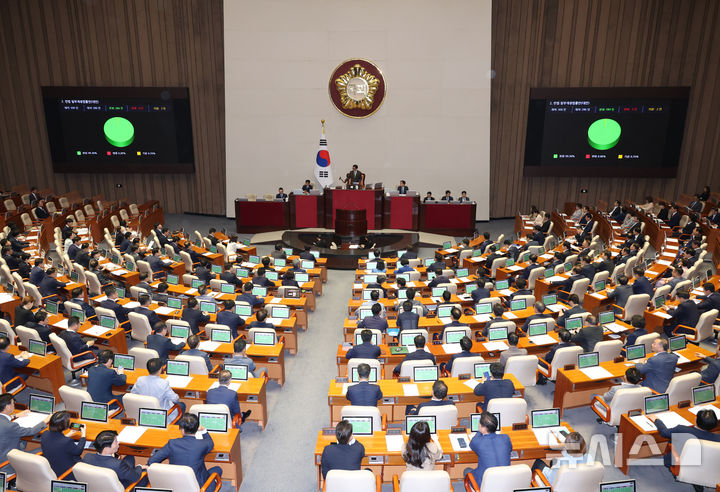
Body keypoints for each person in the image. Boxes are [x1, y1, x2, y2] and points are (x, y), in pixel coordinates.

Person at [648, 409, 720, 467]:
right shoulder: (718, 439)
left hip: (680, 464)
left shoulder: (681, 430)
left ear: (696, 420)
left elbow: (664, 432)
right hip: (708, 466)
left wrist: (656, 420)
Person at [0, 393, 49, 471]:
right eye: (13, 403)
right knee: (44, 450)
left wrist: (15, 415)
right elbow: (31, 431)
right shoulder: (10, 426)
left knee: (24, 440)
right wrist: (46, 420)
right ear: (7, 407)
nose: (14, 405)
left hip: (4, 450)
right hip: (8, 464)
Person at [467, 412, 511, 487]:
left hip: (485, 484)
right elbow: (509, 449)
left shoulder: (477, 442)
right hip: (505, 482)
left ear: (482, 427)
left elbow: (473, 443)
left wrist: (480, 431)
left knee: (467, 471)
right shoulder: (505, 438)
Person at [41, 411, 86, 480]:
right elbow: (78, 451)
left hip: (52, 468)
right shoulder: (67, 441)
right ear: (65, 426)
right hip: (67, 473)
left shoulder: (45, 434)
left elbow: (56, 441)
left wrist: (69, 434)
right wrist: (83, 436)